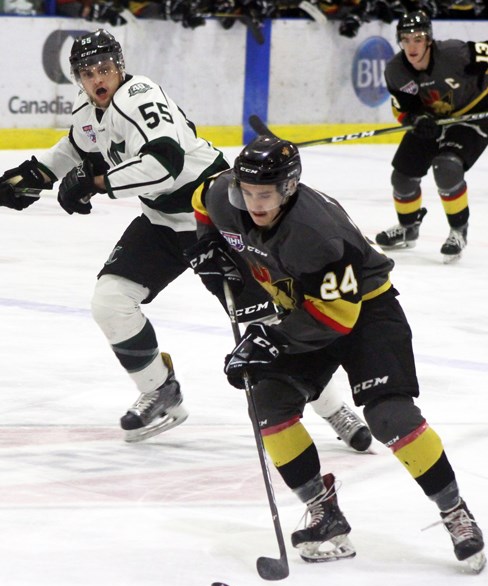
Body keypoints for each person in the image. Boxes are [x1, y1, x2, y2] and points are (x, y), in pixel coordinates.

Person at [0, 29, 371, 450]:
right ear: (78, 79)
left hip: (212, 218)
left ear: (120, 68)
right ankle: (161, 389)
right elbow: (75, 146)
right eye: (88, 73)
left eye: (105, 68)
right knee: (110, 301)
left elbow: (165, 164)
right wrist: (34, 173)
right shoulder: (90, 111)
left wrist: (96, 181)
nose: (98, 79)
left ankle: (332, 408)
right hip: (161, 221)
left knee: (263, 323)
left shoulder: (138, 96)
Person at [187, 133, 485, 572]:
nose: (254, 204)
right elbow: (202, 199)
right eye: (247, 193)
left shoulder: (316, 232)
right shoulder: (224, 192)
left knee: (390, 417)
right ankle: (325, 515)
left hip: (365, 312)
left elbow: (338, 318)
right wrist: (209, 243)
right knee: (269, 405)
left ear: (288, 188)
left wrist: (271, 339)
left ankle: (454, 510)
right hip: (303, 311)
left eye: (264, 195)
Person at [375, 11, 488, 262]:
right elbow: (403, 108)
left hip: (474, 114)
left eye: (418, 38)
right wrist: (416, 120)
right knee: (402, 178)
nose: (412, 45)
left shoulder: (455, 53)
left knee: (447, 167)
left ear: (429, 40)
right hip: (434, 119)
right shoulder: (396, 70)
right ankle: (408, 227)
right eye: (406, 39)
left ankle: (458, 230)